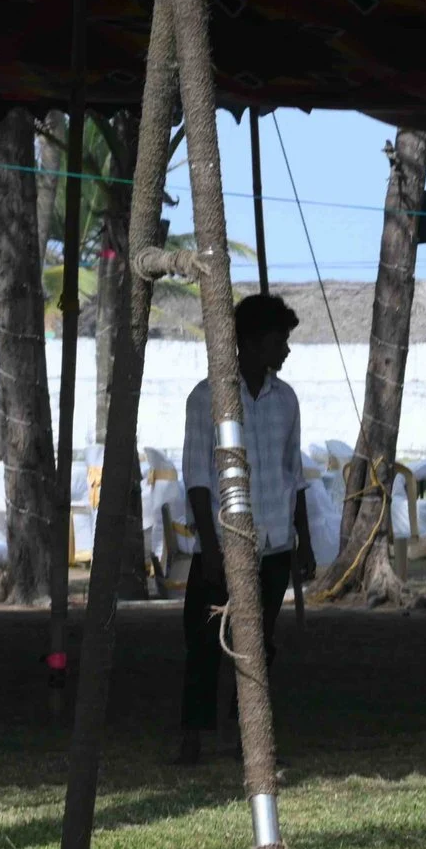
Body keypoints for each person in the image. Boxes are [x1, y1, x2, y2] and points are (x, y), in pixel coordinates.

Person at [175, 293, 312, 766]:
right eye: (281, 341)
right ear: (254, 342)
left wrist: (303, 541)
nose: (287, 351)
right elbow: (196, 478)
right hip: (222, 544)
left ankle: (243, 736)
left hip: (273, 544)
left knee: (258, 646)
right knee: (203, 642)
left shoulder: (286, 399)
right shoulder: (206, 397)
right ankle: (192, 737)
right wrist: (210, 549)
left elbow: (294, 474)